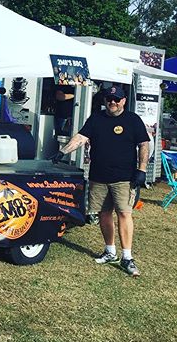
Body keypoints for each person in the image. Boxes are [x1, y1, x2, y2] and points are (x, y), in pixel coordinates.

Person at [52, 85, 149, 277]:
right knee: (104, 214)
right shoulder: (96, 118)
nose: (112, 103)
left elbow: (143, 145)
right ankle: (110, 251)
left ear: (123, 101)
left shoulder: (133, 120)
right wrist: (62, 152)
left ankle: (127, 257)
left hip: (124, 177)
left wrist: (142, 170)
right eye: (109, 99)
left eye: (116, 100)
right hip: (99, 176)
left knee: (124, 213)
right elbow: (81, 137)